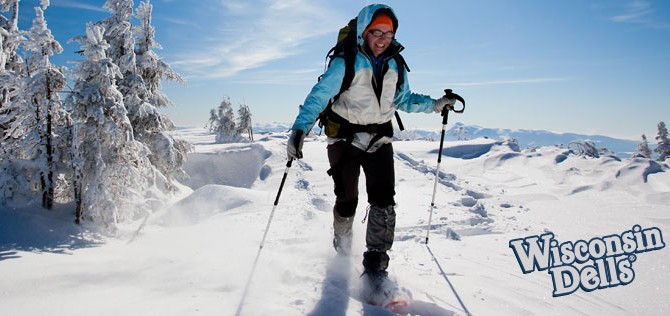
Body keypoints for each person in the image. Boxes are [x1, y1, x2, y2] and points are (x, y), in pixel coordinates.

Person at [287, 4, 456, 279]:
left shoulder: (395, 64)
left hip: (379, 138)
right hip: (345, 139)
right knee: (347, 199)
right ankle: (342, 247)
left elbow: (403, 99)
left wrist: (436, 104)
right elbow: (318, 97)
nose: (382, 38)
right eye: (376, 31)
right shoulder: (346, 63)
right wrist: (299, 130)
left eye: (388, 33)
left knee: (384, 201)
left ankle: (376, 264)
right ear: (365, 32)